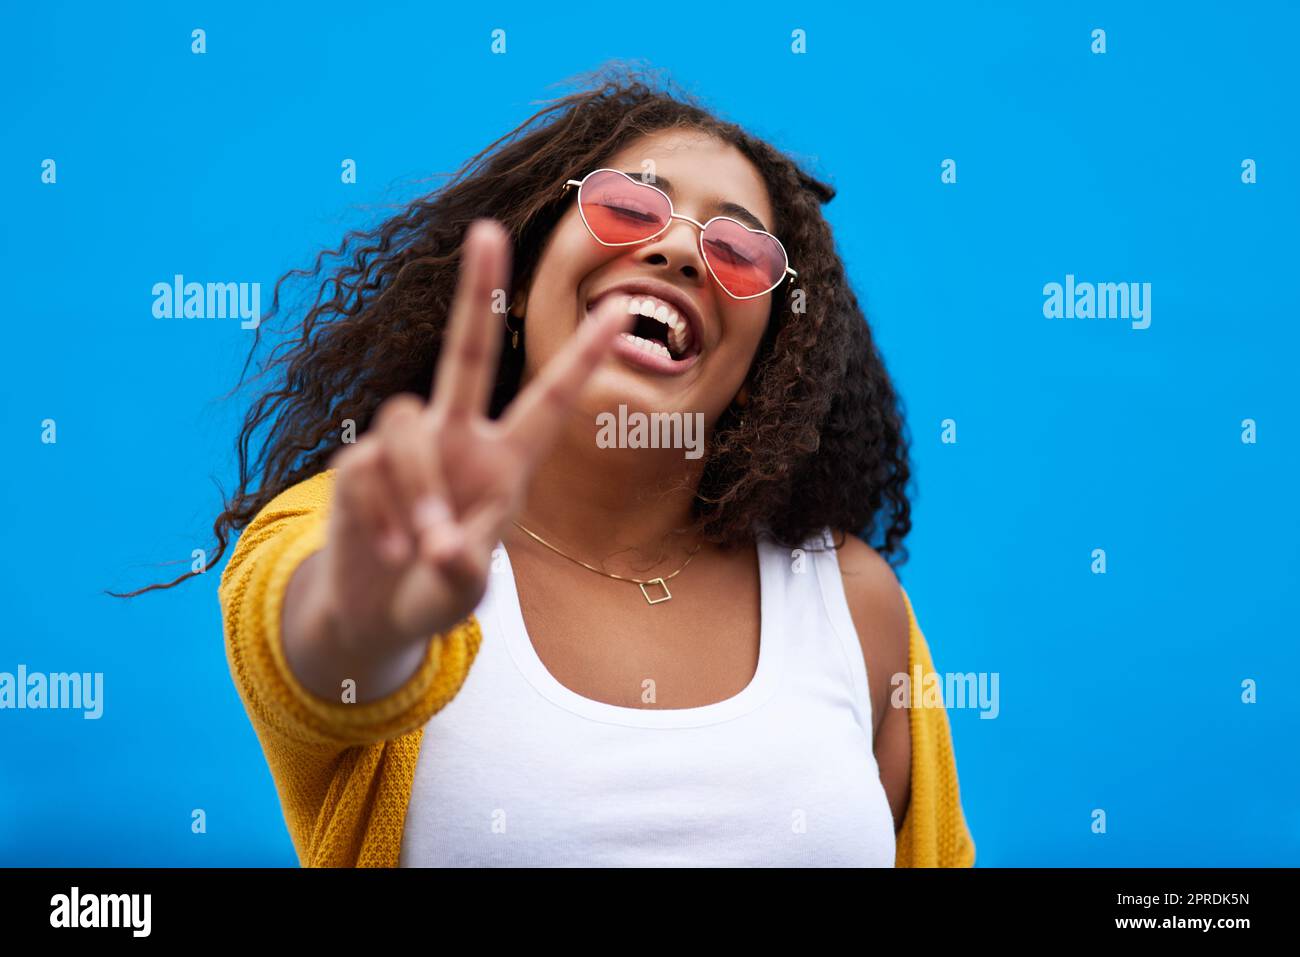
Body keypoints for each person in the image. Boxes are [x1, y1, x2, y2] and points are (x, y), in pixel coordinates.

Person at [211, 68, 975, 867]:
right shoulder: (369, 527)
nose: (680, 248)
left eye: (740, 250)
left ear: (766, 365)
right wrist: (371, 615)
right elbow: (312, 645)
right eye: (629, 205)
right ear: (525, 276)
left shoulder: (851, 603)